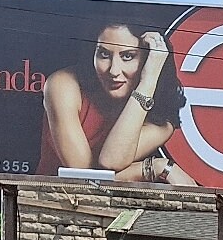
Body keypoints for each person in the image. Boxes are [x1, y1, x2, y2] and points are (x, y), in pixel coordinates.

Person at [39, 21, 195, 184]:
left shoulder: (162, 121)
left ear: (148, 60)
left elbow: (111, 161)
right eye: (104, 54)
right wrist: (156, 167)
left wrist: (148, 81)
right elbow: (85, 179)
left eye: (128, 56)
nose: (113, 70)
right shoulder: (64, 84)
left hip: (116, 205)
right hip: (45, 203)